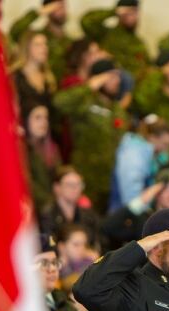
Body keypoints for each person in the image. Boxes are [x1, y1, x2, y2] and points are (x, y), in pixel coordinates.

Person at [53, 58, 128, 211]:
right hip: (85, 178)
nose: (117, 81)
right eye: (111, 76)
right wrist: (88, 86)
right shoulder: (85, 101)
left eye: (118, 76)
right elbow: (58, 103)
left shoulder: (117, 109)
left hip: (109, 182)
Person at [109, 115, 169, 211]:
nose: (167, 149)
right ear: (152, 138)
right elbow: (130, 198)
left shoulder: (154, 156)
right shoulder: (133, 155)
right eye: (165, 144)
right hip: (125, 215)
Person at [80, 0, 150, 80]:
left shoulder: (139, 42)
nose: (132, 16)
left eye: (134, 12)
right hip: (110, 84)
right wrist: (113, 12)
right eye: (128, 12)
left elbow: (148, 66)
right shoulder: (106, 34)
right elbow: (87, 22)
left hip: (134, 88)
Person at [8, 0, 72, 83]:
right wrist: (39, 12)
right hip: (40, 85)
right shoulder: (39, 38)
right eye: (58, 7)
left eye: (64, 6)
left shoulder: (70, 41)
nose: (62, 11)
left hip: (62, 90)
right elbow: (15, 31)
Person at [39, 166, 100, 249]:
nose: (75, 188)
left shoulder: (89, 215)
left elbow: (97, 242)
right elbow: (49, 242)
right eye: (69, 184)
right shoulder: (47, 215)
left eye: (79, 184)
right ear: (57, 187)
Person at [22, 103, 61, 211]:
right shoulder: (21, 149)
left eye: (46, 118)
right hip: (32, 208)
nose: (44, 122)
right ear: (25, 121)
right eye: (37, 117)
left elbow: (59, 177)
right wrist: (52, 202)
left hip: (54, 205)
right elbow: (27, 183)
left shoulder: (53, 149)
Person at [10, 31, 56, 117]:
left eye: (45, 44)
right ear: (26, 47)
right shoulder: (14, 77)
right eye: (38, 44)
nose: (44, 48)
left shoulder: (49, 77)